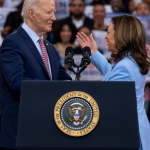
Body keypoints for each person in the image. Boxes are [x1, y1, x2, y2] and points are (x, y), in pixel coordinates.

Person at [0, 0, 72, 149]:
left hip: (47, 127)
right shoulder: (12, 42)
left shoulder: (48, 46)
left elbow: (63, 78)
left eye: (54, 12)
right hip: (21, 129)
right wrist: (52, 89)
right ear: (31, 13)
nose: (54, 18)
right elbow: (17, 81)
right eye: (48, 12)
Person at [76, 14, 150, 150]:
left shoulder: (125, 66)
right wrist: (94, 53)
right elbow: (112, 72)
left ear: (120, 35)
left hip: (128, 136)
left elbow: (106, 101)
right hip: (135, 131)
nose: (105, 37)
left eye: (108, 32)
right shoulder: (130, 61)